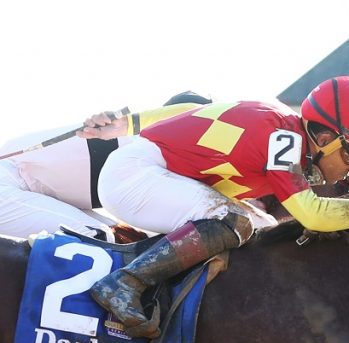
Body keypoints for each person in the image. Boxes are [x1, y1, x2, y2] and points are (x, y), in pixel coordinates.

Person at [86, 76, 349, 338]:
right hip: (135, 177)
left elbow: (188, 113)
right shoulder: (284, 138)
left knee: (265, 230)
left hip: (149, 174)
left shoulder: (281, 123)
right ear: (324, 140)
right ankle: (125, 283)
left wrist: (127, 125)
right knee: (235, 222)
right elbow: (312, 215)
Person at [0, 92, 212, 241]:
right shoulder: (144, 142)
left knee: (134, 242)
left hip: (39, 194)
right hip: (8, 184)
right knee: (107, 241)